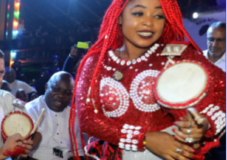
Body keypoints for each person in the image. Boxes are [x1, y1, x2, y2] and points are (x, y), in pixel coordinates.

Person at [68, 0, 225, 160]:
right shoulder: (96, 61)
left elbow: (221, 87)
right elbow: (87, 118)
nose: (149, 22)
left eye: (158, 16)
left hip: (169, 152)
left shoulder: (177, 55)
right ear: (120, 16)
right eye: (138, 13)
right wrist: (143, 138)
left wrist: (204, 123)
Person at [25, 71, 84, 160]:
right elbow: (22, 151)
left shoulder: (74, 116)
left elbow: (77, 152)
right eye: (56, 89)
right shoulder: (31, 110)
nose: (61, 95)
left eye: (67, 93)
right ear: (46, 87)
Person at [203, 21, 226, 160]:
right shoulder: (196, 58)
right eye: (211, 39)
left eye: (220, 40)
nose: (214, 44)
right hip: (198, 126)